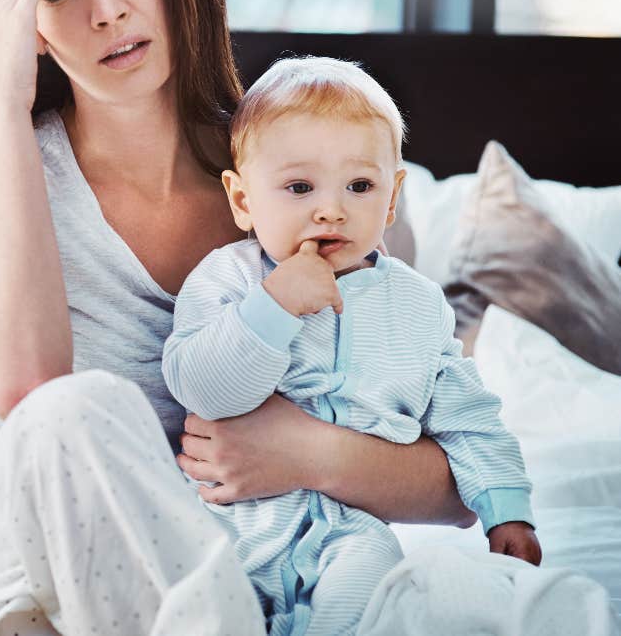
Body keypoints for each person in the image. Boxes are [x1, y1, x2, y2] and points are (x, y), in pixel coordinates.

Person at [0, 0, 477, 635]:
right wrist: (3, 102)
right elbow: (29, 390)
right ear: (25, 27)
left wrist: (303, 452)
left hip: (242, 591)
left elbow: (458, 486)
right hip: (19, 604)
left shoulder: (307, 187)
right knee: (71, 412)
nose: (108, 8)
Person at [162, 56, 542, 635]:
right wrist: (275, 305)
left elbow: (470, 419)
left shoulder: (417, 306)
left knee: (373, 585)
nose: (331, 208)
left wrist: (506, 510)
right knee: (196, 606)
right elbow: (201, 387)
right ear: (242, 201)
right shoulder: (229, 280)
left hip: (350, 530)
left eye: (360, 186)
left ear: (390, 199)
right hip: (230, 524)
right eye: (299, 186)